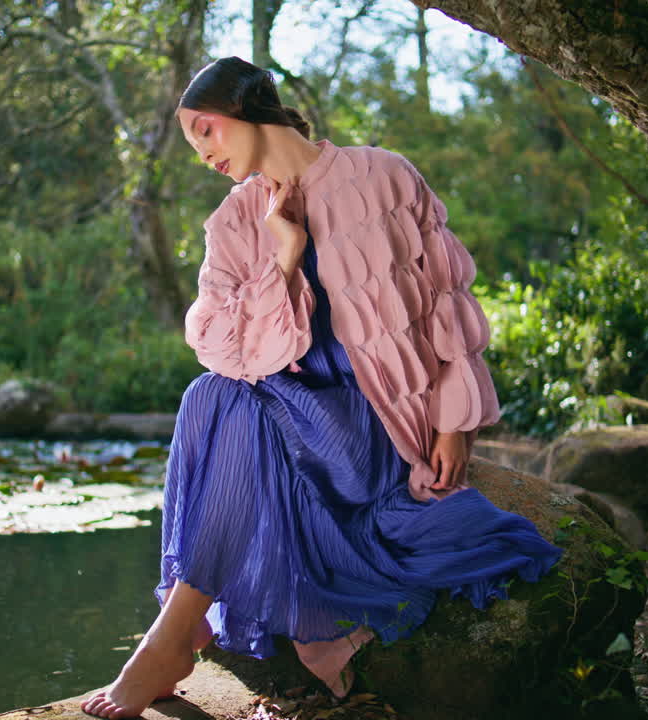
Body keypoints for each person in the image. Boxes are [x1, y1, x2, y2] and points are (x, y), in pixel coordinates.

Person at [80, 56, 563, 720]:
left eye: (207, 132)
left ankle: (175, 630)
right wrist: (282, 253)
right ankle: (179, 627)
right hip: (286, 420)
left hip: (370, 428)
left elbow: (444, 300)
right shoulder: (233, 222)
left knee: (222, 403)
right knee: (210, 395)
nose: (204, 154)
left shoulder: (384, 176)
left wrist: (454, 422)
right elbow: (218, 348)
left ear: (248, 108)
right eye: (194, 143)